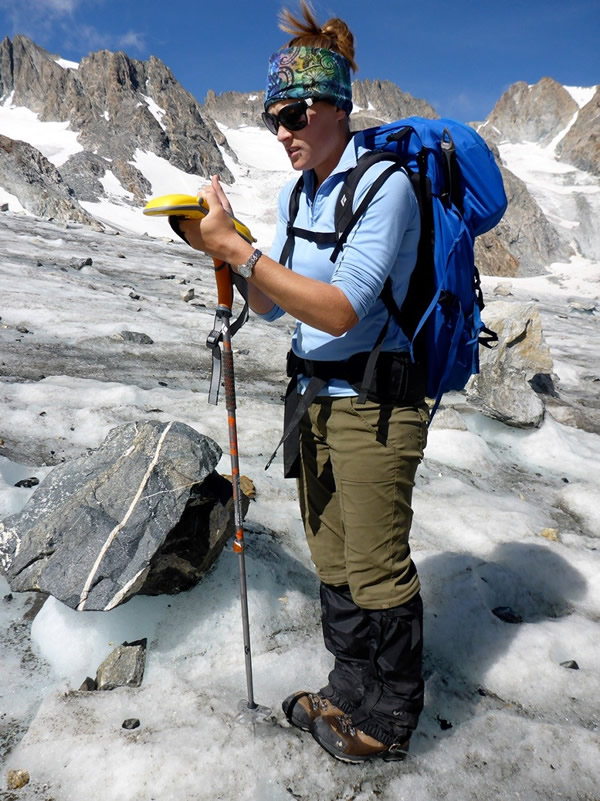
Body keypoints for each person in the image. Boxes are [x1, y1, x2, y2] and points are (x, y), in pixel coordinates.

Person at [179, 0, 429, 764]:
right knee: (331, 556)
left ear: (334, 106)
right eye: (270, 119)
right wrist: (228, 244)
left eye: (292, 114)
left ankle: (390, 720)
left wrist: (246, 257)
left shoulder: (384, 188)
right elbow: (271, 299)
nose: (281, 131)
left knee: (377, 564)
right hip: (314, 400)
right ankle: (349, 687)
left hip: (377, 403)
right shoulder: (301, 194)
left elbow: (343, 304)